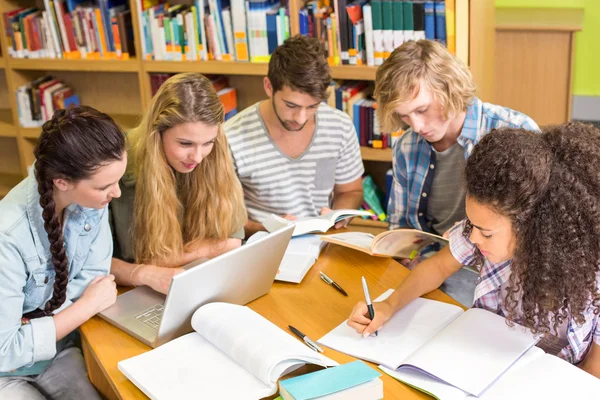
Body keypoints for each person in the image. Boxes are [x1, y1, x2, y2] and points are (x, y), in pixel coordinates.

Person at [347, 123, 600, 378]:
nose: (474, 237)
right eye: (472, 225)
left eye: (486, 233)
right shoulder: (481, 227)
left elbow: (593, 371)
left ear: (532, 227)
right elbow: (438, 266)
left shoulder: (591, 270)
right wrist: (389, 305)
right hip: (487, 367)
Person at [0, 106, 127, 398]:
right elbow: (5, 351)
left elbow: (95, 279)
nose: (116, 193)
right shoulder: (7, 236)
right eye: (105, 186)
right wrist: (83, 307)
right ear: (62, 182)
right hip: (5, 371)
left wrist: (39, 322)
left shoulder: (92, 201)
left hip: (60, 348)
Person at [377, 39, 539, 235]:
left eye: (422, 109)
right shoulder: (406, 146)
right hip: (428, 256)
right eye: (404, 115)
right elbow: (399, 223)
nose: (416, 127)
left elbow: (536, 225)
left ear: (448, 89)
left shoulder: (516, 132)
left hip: (493, 262)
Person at [109, 73, 247, 294]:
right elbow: (95, 264)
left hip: (199, 284)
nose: (198, 157)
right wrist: (209, 248)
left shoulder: (215, 156)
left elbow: (234, 241)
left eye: (208, 143)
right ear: (158, 132)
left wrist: (166, 260)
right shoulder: (116, 165)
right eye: (185, 143)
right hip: (133, 292)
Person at [224, 35, 365, 237]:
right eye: (291, 105)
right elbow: (222, 218)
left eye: (312, 107)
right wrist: (267, 230)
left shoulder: (339, 126)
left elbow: (350, 191)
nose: (301, 118)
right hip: (262, 246)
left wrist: (338, 215)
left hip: (322, 242)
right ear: (268, 87)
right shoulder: (231, 137)